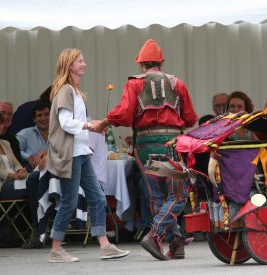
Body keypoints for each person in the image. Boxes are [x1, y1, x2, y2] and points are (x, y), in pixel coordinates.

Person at [91, 39, 198, 260]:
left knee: (158, 197)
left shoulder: (134, 84)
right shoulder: (177, 84)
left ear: (141, 65)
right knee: (178, 196)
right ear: (161, 62)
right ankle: (155, 234)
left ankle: (176, 243)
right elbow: (189, 118)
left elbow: (123, 113)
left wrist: (104, 122)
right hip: (171, 146)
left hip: (145, 147)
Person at [46, 48, 130, 263]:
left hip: (81, 153)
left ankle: (104, 245)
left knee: (97, 197)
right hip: (71, 155)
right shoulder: (65, 91)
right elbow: (66, 123)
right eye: (80, 61)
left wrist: (94, 126)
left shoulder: (74, 92)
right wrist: (91, 126)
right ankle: (56, 249)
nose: (84, 64)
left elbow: (77, 123)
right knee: (69, 201)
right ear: (70, 65)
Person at [0, 110, 40, 236]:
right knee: (36, 180)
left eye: (1, 124)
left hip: (15, 181)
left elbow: (16, 163)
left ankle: (38, 227)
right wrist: (15, 176)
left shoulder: (6, 143)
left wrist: (21, 170)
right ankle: (37, 227)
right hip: (1, 186)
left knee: (38, 181)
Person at [15, 100, 51, 248]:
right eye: (39, 115)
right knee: (33, 181)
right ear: (34, 119)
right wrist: (29, 156)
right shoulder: (25, 134)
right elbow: (14, 148)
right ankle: (38, 229)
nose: (43, 118)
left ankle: (50, 230)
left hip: (56, 173)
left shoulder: (59, 132)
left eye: (46, 114)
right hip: (34, 174)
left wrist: (47, 154)